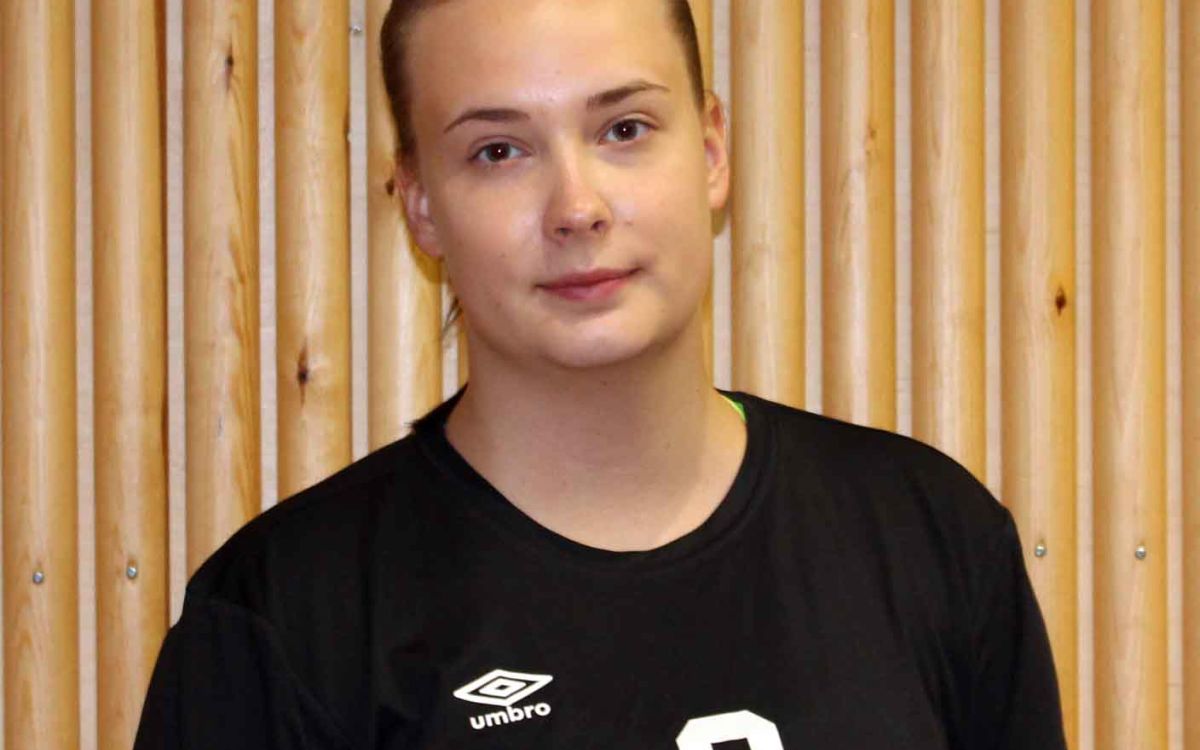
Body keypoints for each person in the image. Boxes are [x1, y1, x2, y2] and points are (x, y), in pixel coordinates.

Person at [133, 0, 1068, 747]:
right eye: (498, 151)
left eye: (624, 128)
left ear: (711, 151)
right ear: (419, 204)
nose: (576, 206)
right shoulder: (282, 623)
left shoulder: (933, 540)